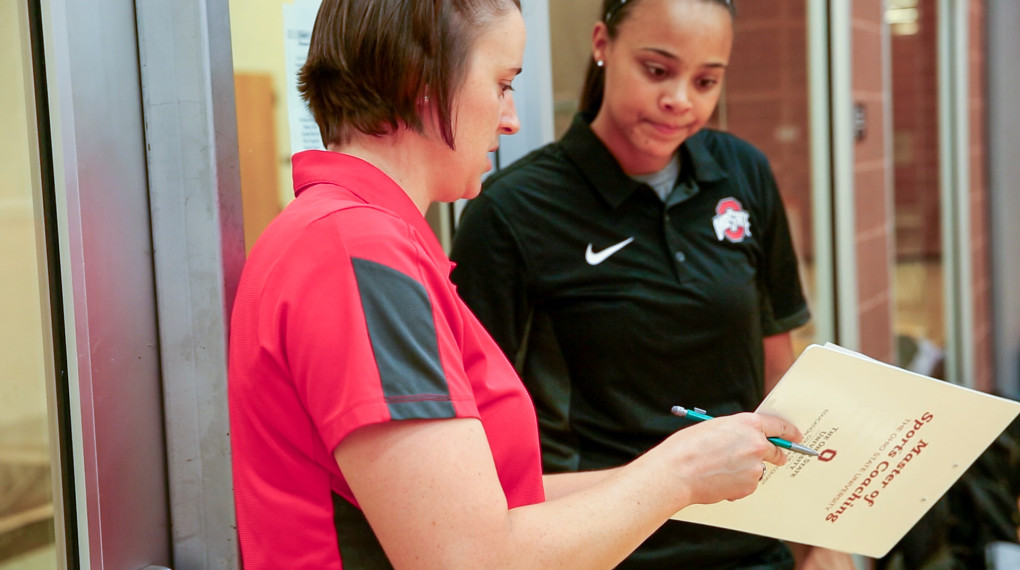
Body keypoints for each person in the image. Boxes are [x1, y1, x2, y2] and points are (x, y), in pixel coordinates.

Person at [228, 0, 802, 567]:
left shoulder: (360, 238)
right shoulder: (355, 251)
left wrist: (686, 469)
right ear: (419, 79)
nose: (512, 119)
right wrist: (679, 474)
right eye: (502, 84)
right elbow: (466, 559)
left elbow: (496, 510)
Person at [449, 0, 853, 568]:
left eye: (707, 80)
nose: (681, 100)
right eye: (657, 70)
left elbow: (777, 376)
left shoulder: (743, 173)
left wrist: (821, 536)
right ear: (602, 45)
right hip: (604, 550)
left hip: (754, 548)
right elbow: (477, 433)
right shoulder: (512, 213)